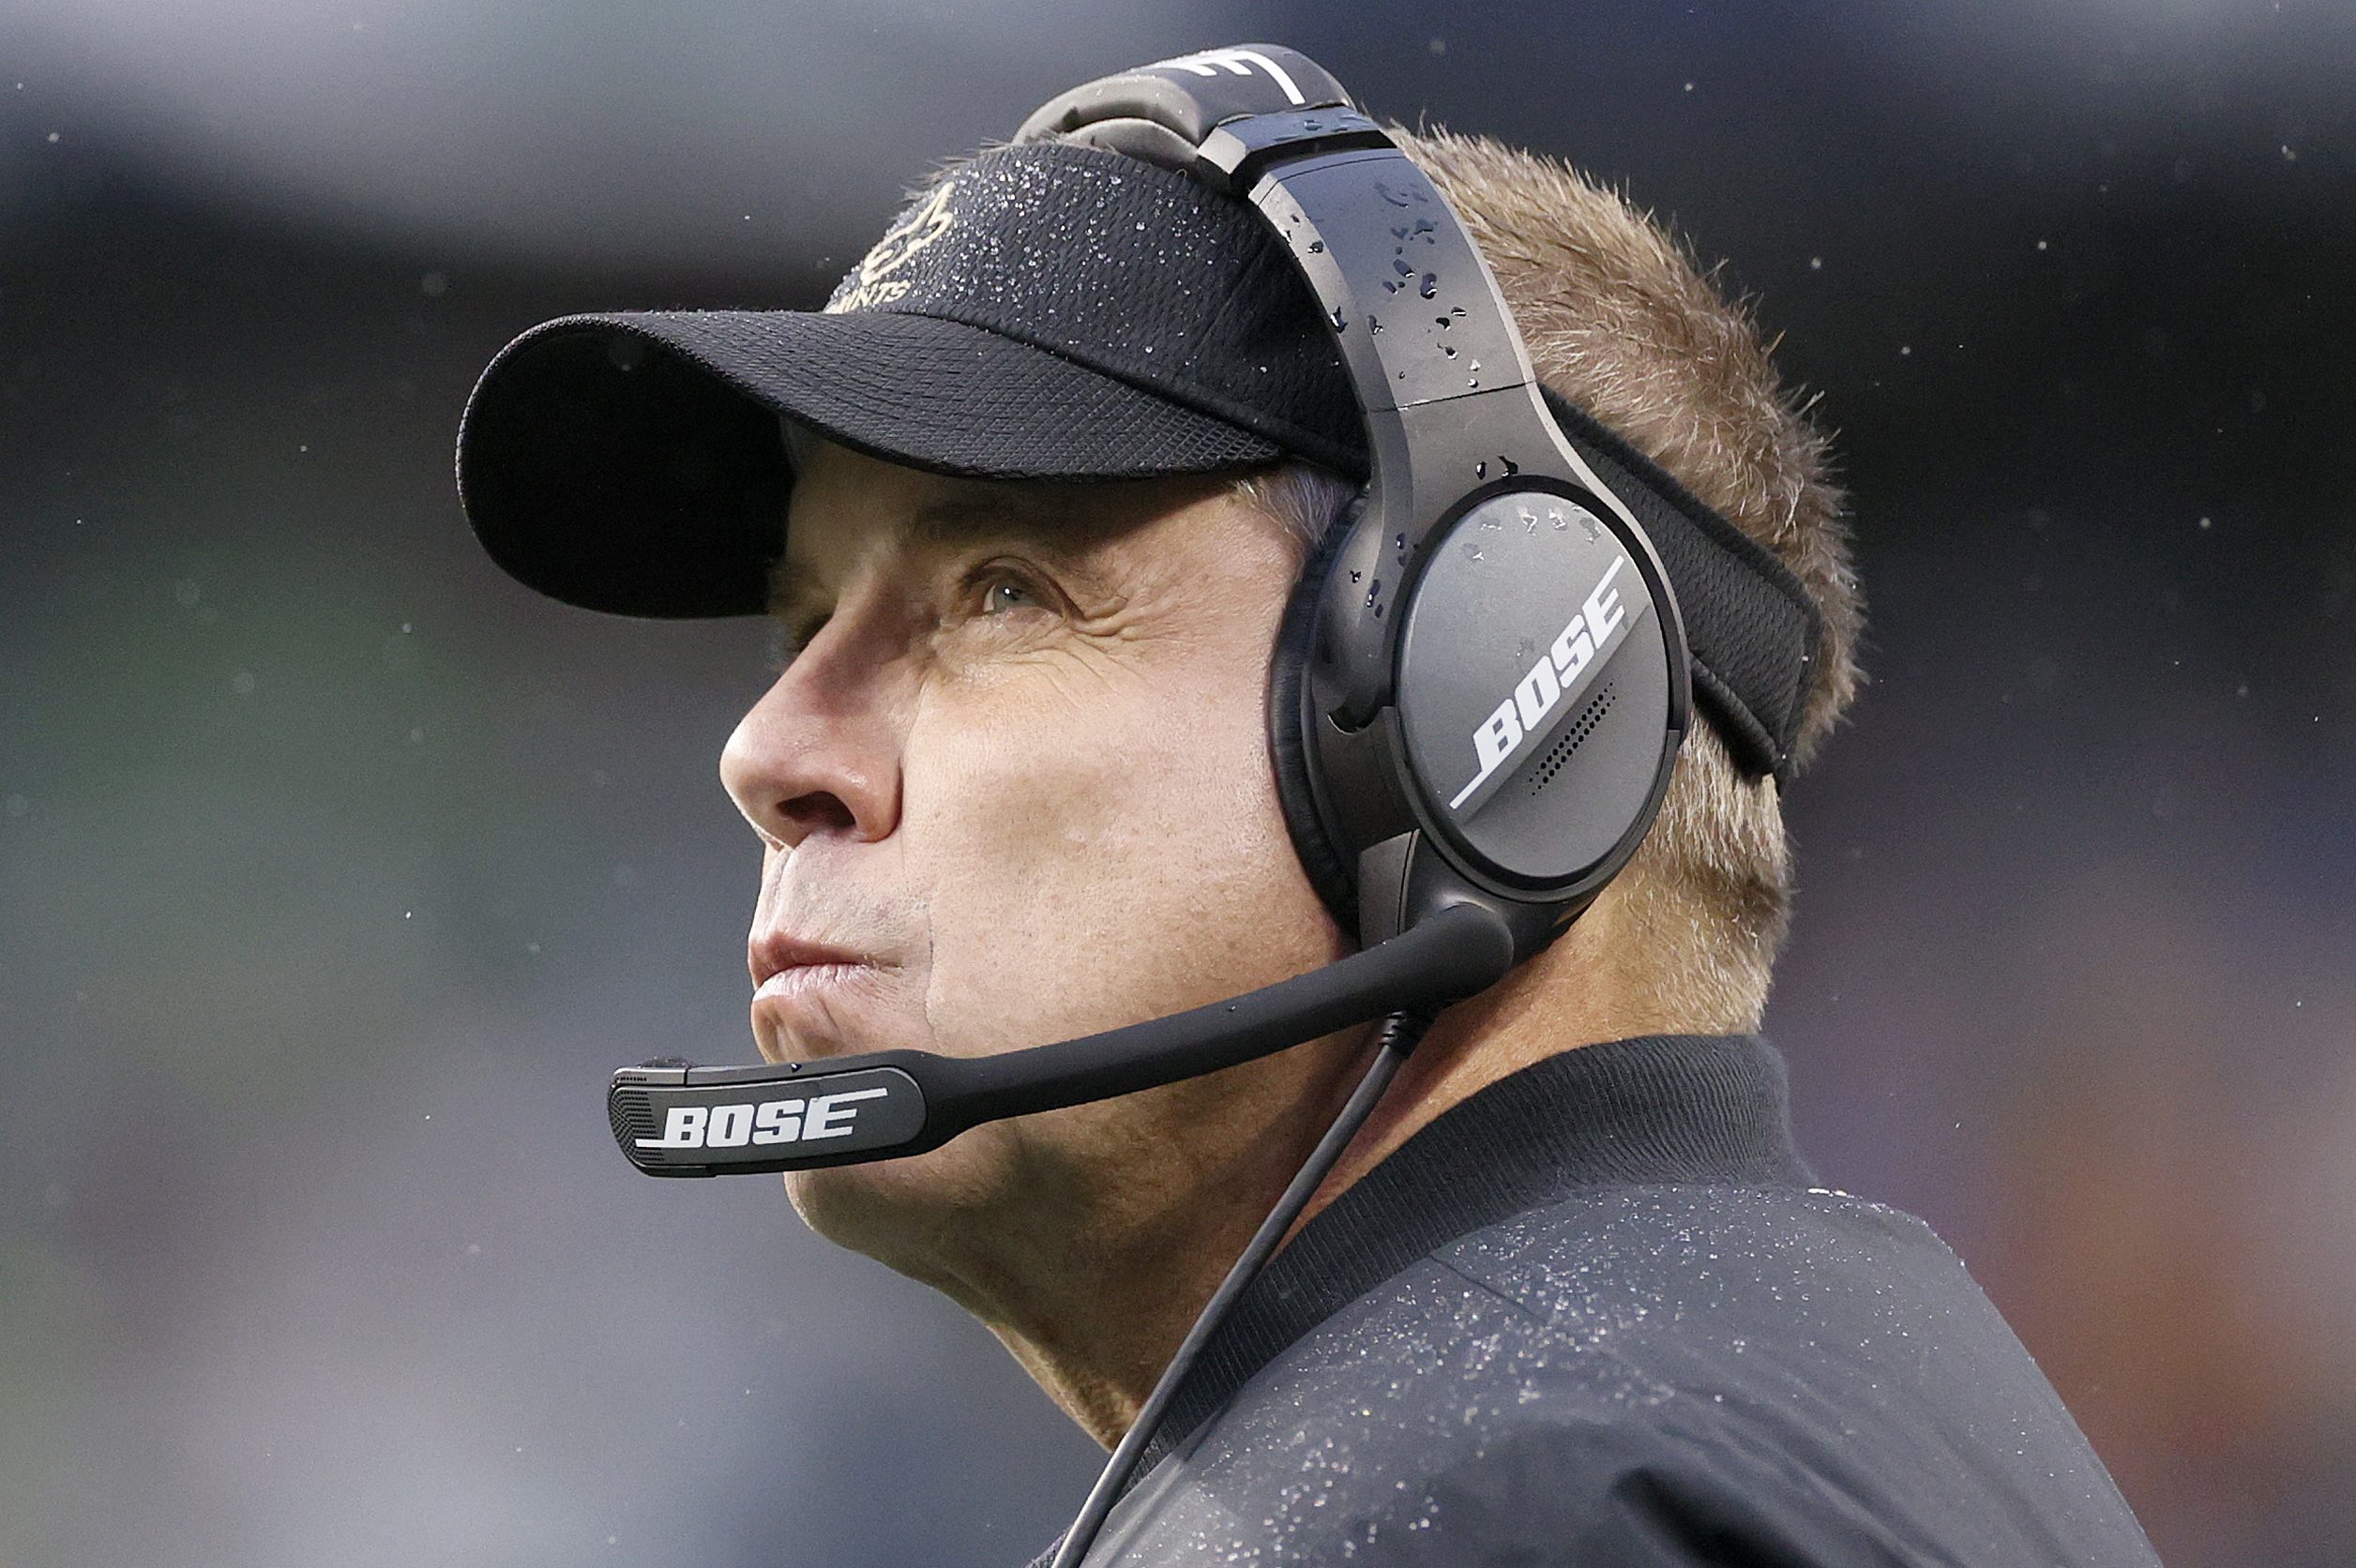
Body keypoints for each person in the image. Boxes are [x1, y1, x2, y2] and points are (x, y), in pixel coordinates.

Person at [455, 49, 2163, 1567]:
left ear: (1486, 704)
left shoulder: (1512, 1488)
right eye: (802, 621)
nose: (771, 746)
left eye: (1003, 592)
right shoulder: (1705, 1378)